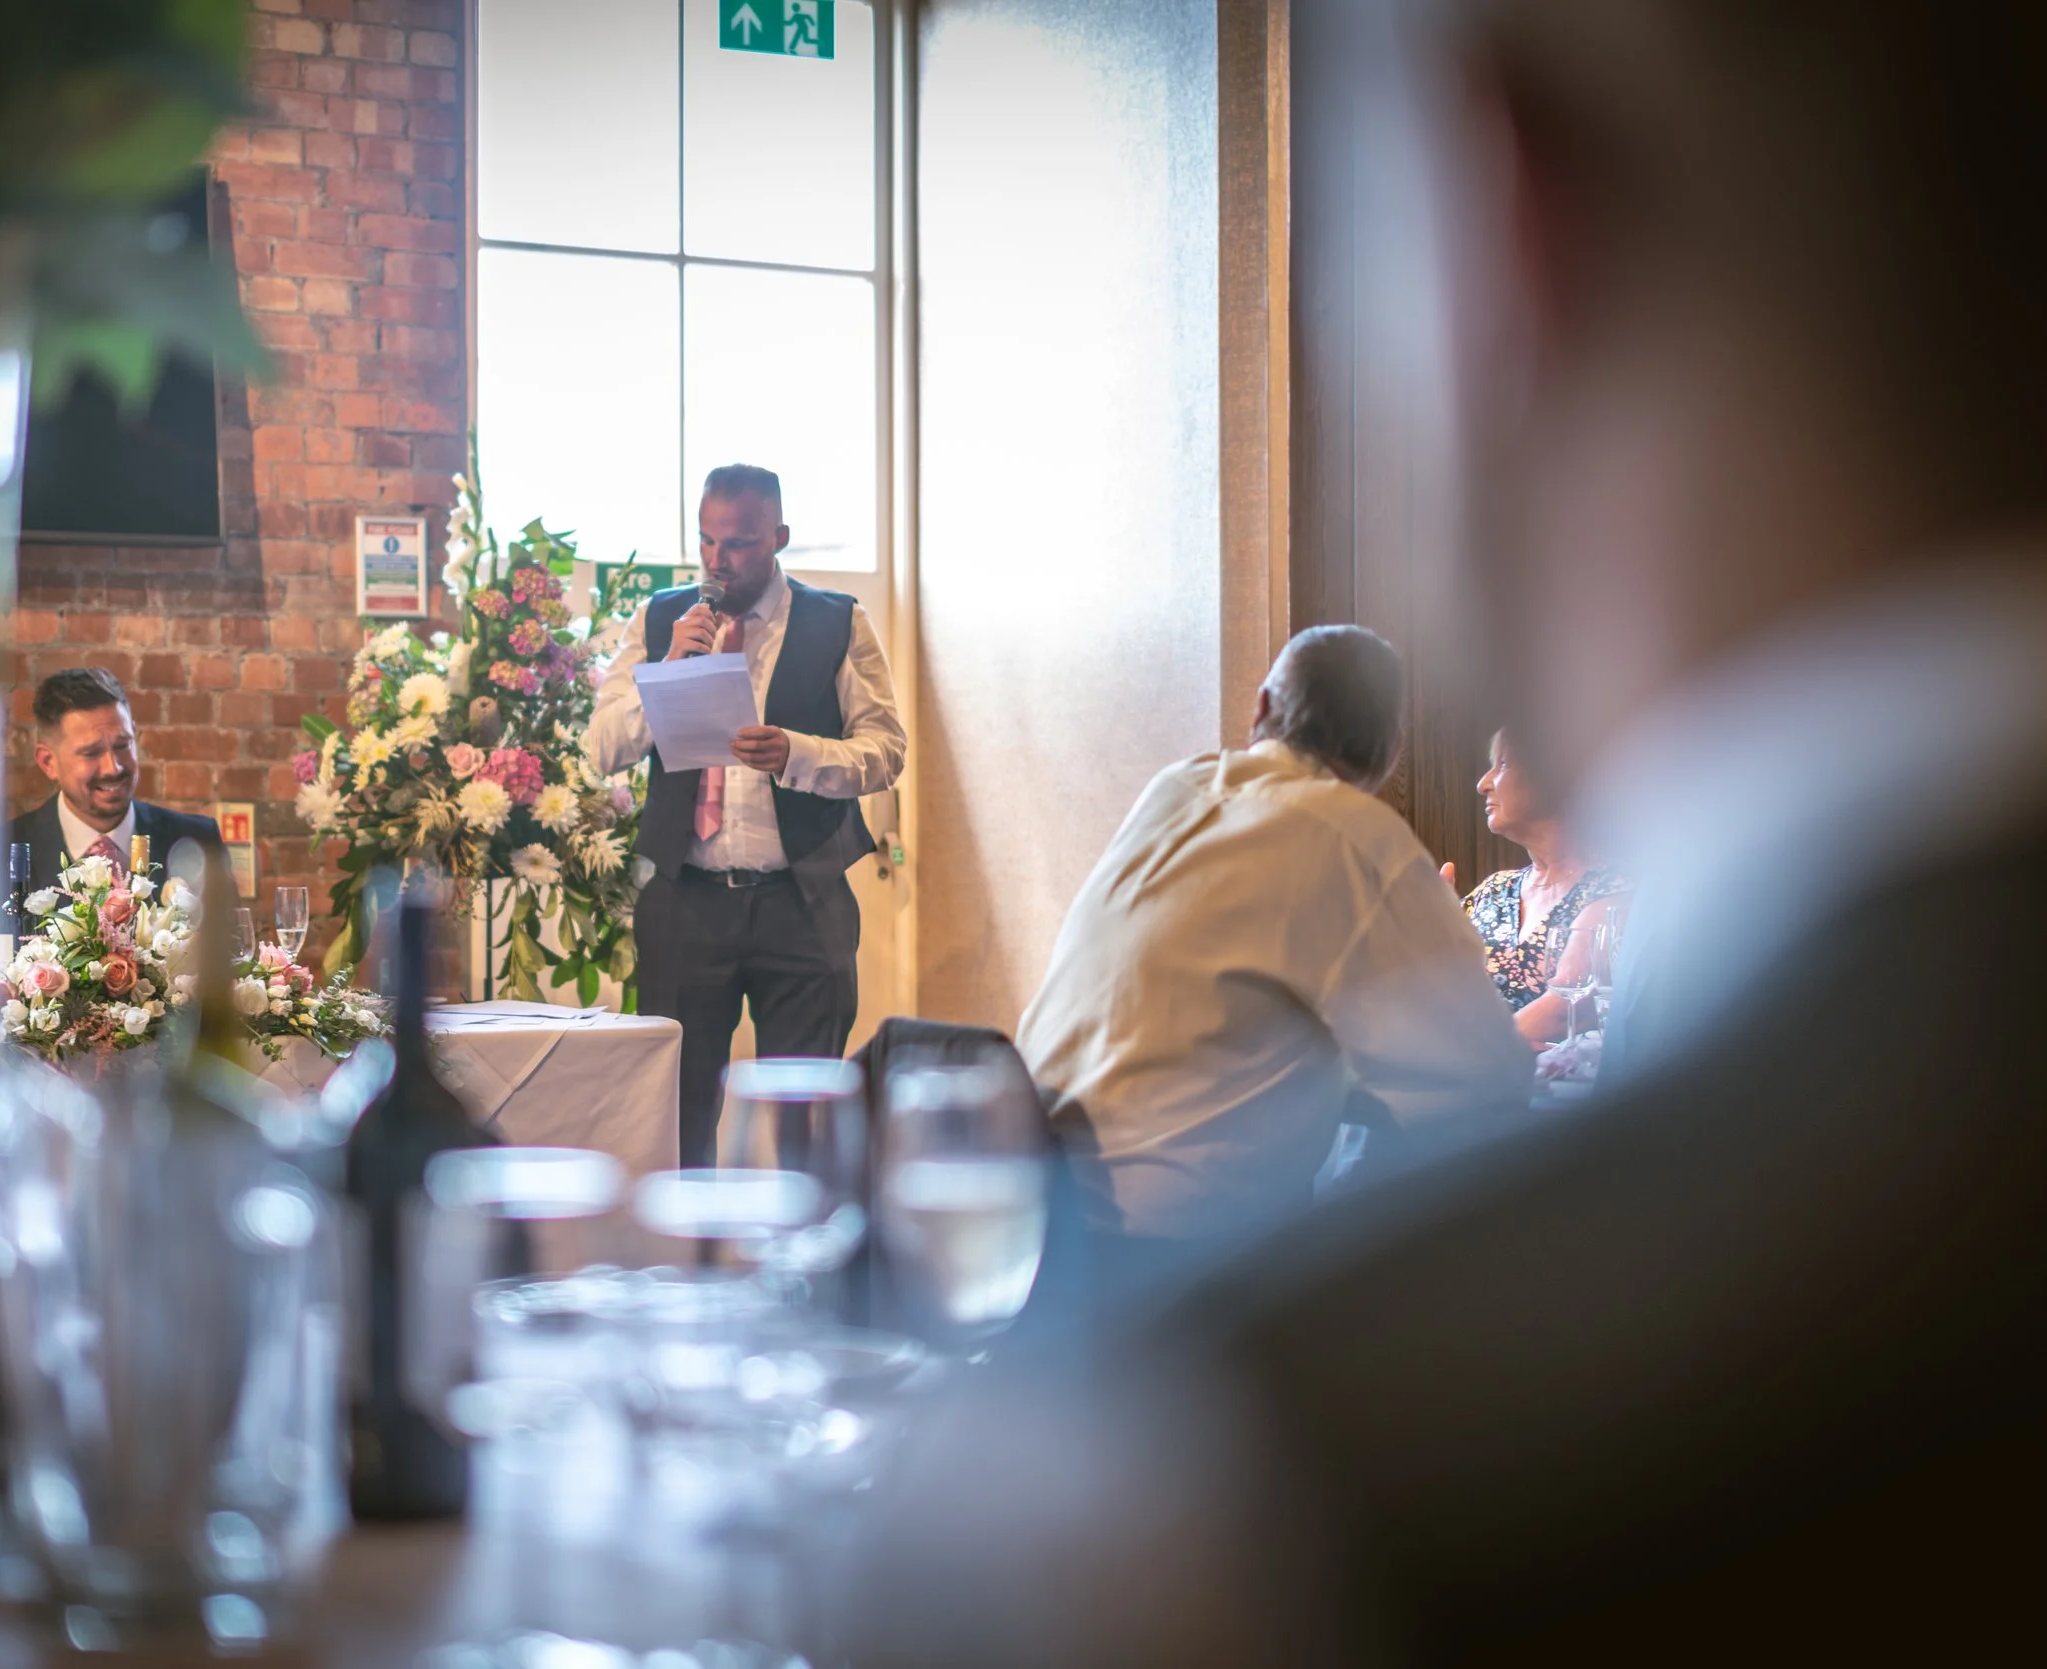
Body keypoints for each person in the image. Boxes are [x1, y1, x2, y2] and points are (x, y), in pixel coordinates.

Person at [852, 1, 2047, 1662]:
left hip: (1071, 1227)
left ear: (1509, 212)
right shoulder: (1346, 837)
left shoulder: (1210, 1504)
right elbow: (1468, 1086)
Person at [1016, 626, 1532, 1247]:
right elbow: (1491, 1081)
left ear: (1261, 709)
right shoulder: (1355, 838)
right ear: (1392, 750)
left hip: (1028, 1209)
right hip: (1169, 1259)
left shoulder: (1174, 789)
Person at [584, 464, 906, 1166]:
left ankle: (800, 1264)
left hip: (802, 900)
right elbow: (601, 748)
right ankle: (685, 1266)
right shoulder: (660, 619)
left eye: (738, 544)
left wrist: (798, 751)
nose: (717, 562)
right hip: (685, 900)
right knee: (678, 1110)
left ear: (779, 538)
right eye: (706, 541)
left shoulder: (837, 621)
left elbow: (885, 751)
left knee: (804, 1118)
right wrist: (666, 668)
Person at [1458, 728, 1628, 1043]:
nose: (1483, 784)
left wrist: (1466, 1056)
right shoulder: (1493, 890)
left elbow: (1566, 1007)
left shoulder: (1616, 888)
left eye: (1503, 764)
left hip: (1557, 1086)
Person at [10, 667, 222, 885]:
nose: (113, 768)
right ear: (48, 762)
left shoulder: (199, 842)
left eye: (122, 745)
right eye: (91, 753)